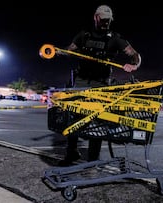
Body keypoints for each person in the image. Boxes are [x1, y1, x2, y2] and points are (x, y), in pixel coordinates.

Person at [58, 5, 142, 166]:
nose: (105, 23)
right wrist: (56, 51)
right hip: (82, 81)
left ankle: (93, 158)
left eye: (108, 21)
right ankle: (71, 153)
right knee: (74, 116)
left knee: (97, 120)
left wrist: (134, 65)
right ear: (95, 17)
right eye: (103, 20)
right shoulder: (84, 35)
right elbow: (70, 50)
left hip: (101, 84)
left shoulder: (115, 38)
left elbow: (135, 55)